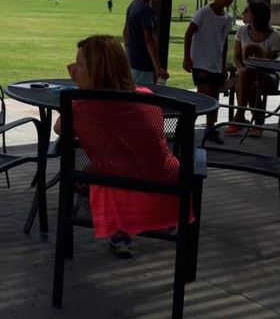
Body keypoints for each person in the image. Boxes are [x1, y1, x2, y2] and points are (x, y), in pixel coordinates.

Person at [57, 35, 187, 259]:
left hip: (114, 184)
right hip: (164, 181)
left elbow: (60, 128)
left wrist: (79, 90)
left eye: (78, 65)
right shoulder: (146, 98)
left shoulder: (81, 108)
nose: (72, 68)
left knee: (88, 174)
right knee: (119, 166)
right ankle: (153, 221)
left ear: (97, 72)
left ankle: (120, 229)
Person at [183, 0, 236, 144]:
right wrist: (187, 57)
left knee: (214, 98)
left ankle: (210, 129)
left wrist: (223, 65)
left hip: (215, 64)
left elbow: (224, 42)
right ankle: (186, 129)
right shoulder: (204, 13)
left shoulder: (227, 18)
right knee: (202, 97)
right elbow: (189, 33)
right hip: (201, 63)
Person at [227, 0, 280, 136]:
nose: (243, 13)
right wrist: (241, 68)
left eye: (247, 11)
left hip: (268, 77)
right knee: (250, 81)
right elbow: (236, 57)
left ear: (255, 15)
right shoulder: (242, 31)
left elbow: (272, 64)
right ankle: (258, 123)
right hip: (245, 75)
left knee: (247, 78)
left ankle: (239, 117)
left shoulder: (276, 37)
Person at [123, 0, 168, 86]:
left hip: (132, 63)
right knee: (144, 94)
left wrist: (128, 55)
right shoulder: (146, 10)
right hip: (143, 66)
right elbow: (149, 39)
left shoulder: (133, 4)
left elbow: (125, 33)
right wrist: (158, 67)